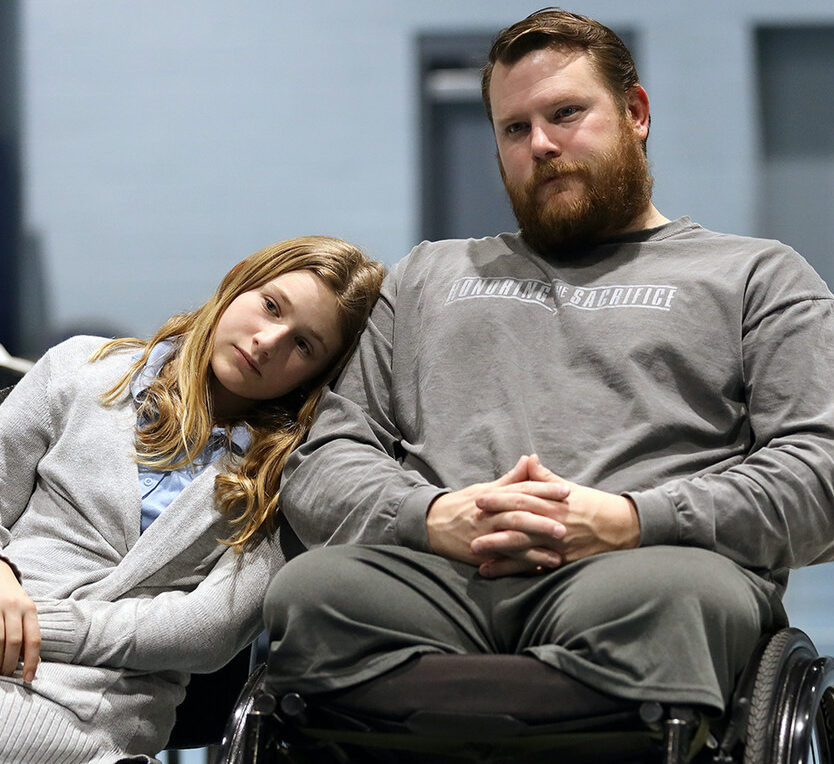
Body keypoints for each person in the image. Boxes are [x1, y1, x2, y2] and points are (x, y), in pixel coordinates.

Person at [262, 7, 834, 724]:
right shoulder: (425, 276)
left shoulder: (756, 275)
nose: (541, 144)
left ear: (636, 113)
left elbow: (818, 473)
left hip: (645, 572)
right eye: (514, 128)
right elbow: (325, 461)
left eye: (566, 113)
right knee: (309, 593)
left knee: (674, 600)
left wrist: (630, 520)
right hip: (432, 578)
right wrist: (435, 516)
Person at [0, 235, 384, 762]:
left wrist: (44, 627)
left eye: (303, 345)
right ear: (238, 281)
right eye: (270, 306)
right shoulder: (79, 368)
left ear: (318, 375)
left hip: (100, 726)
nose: (268, 341)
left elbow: (206, 632)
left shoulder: (286, 482)